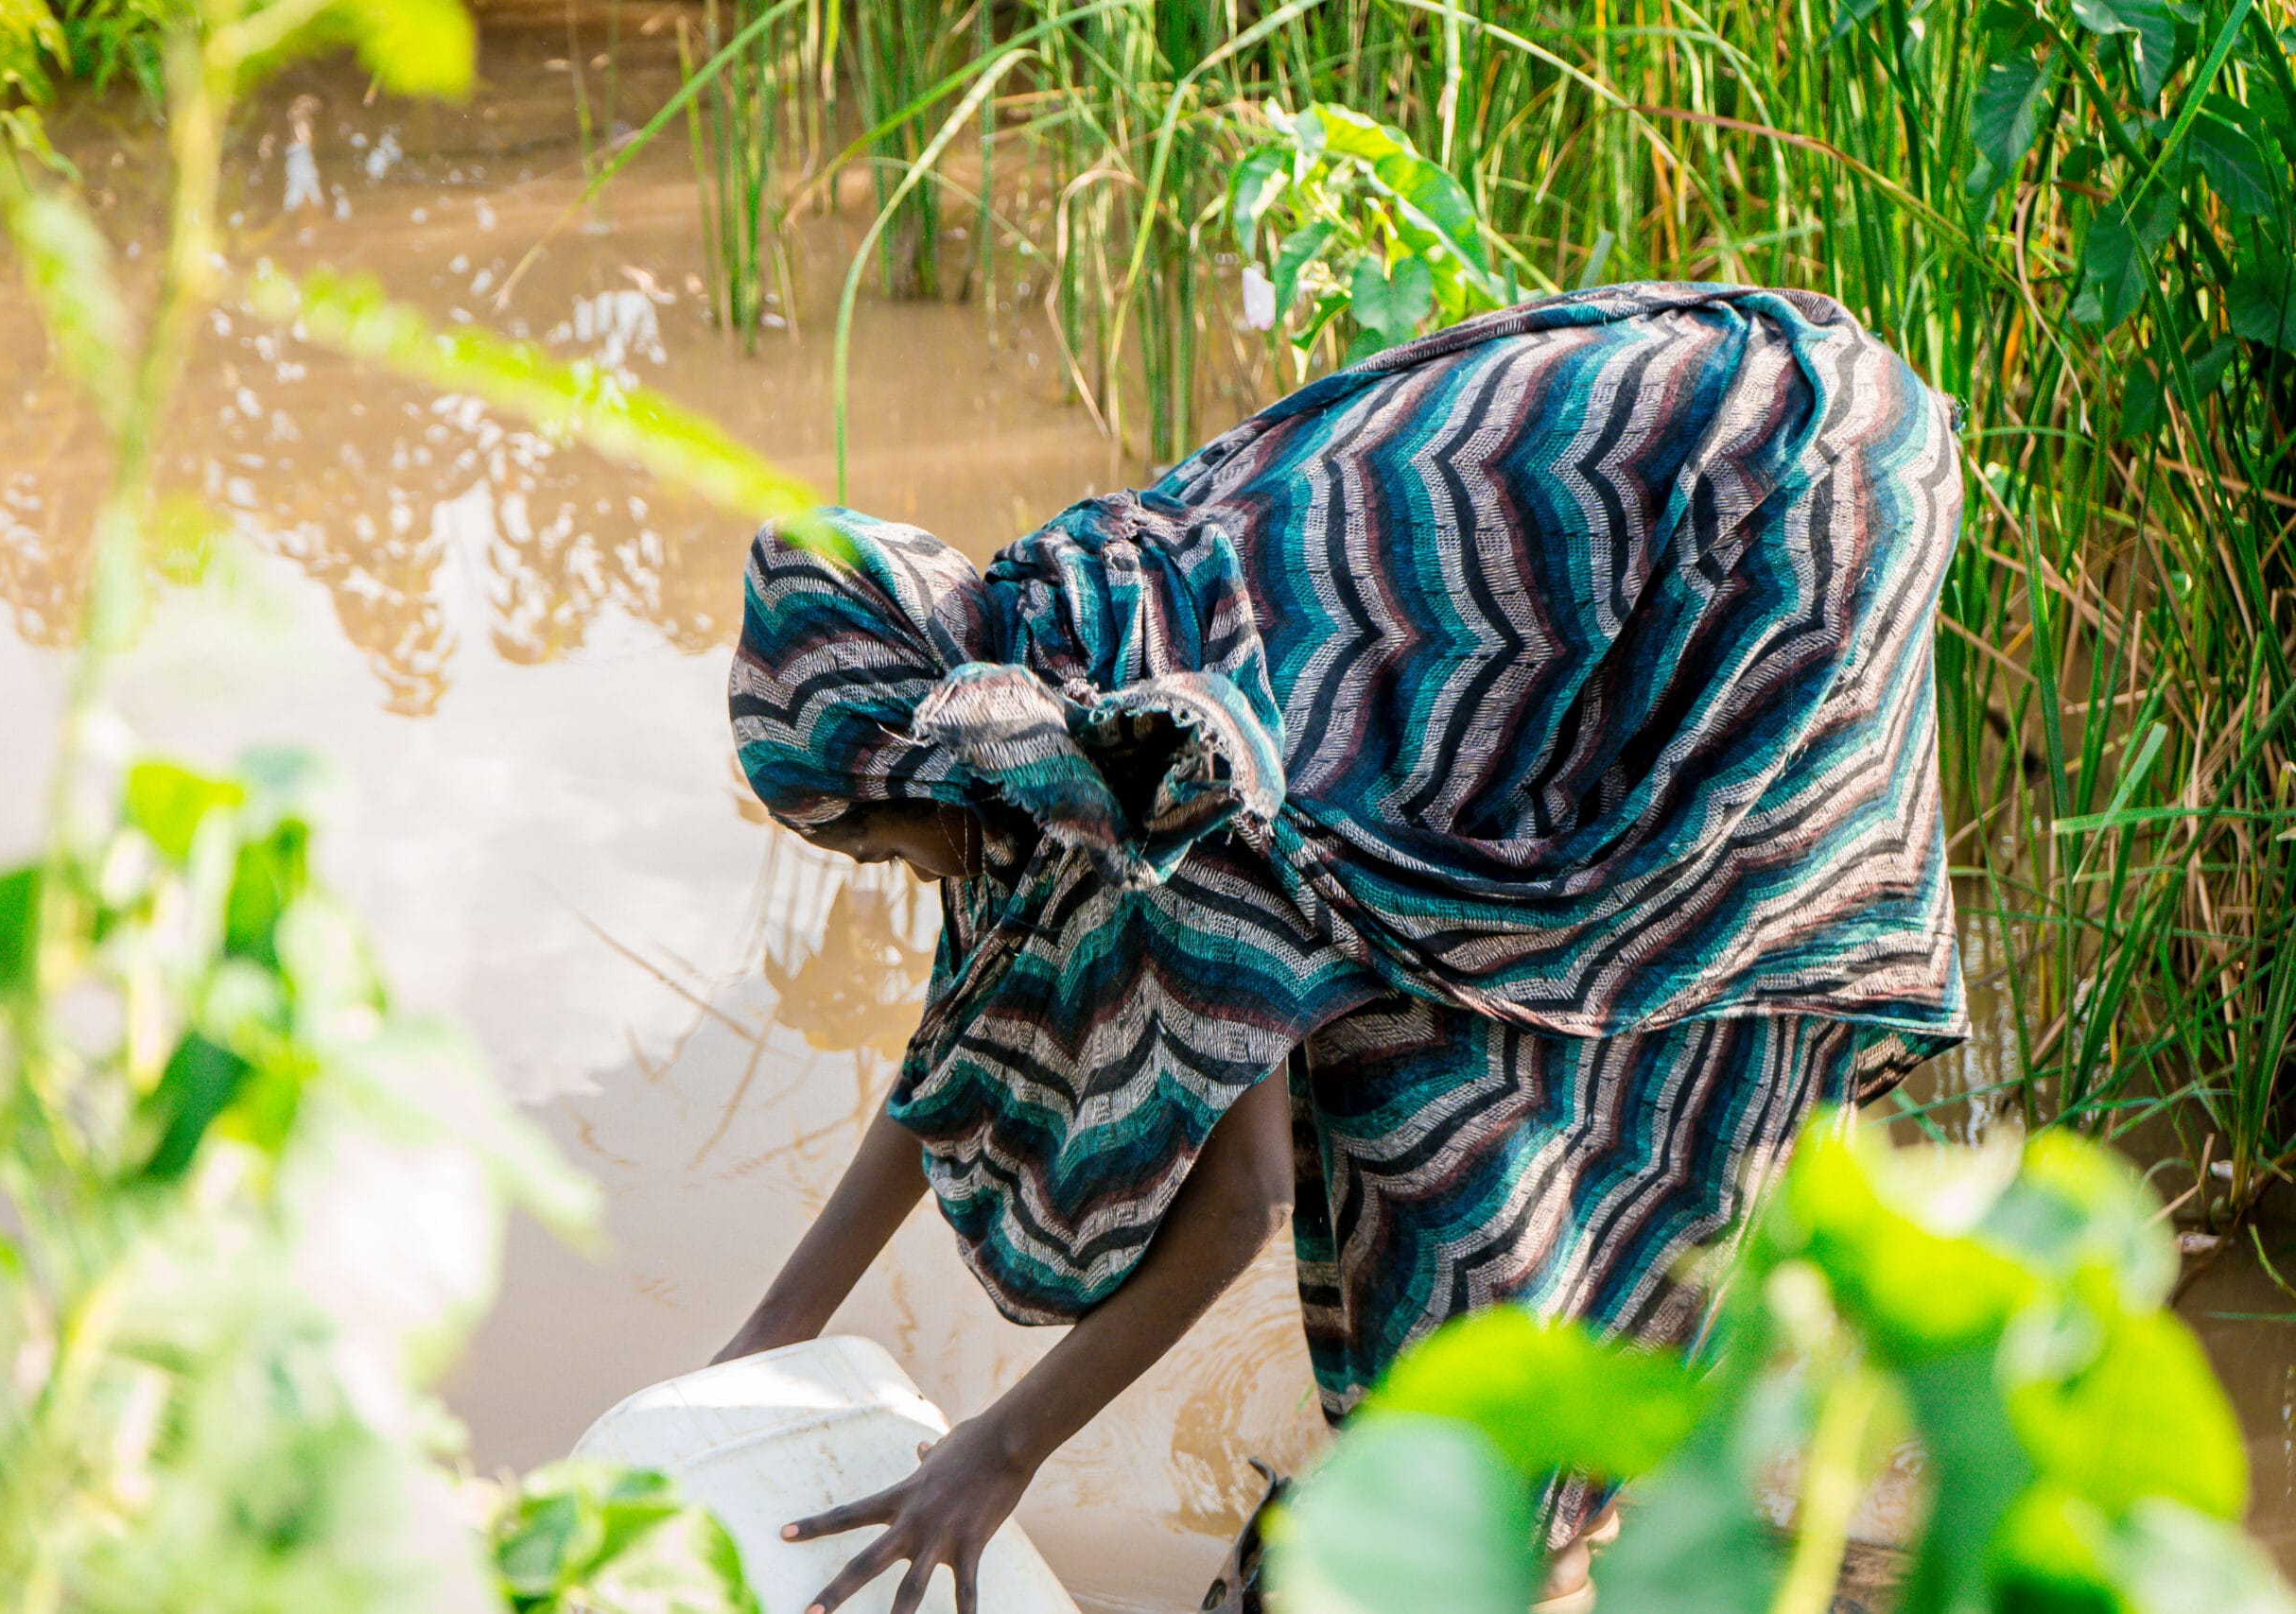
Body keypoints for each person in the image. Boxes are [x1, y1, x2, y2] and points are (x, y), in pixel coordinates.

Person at [719, 283, 1969, 1614]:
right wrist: (759, 1350)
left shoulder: (1152, 760)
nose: (903, 879)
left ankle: (1528, 1539)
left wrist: (1001, 1451)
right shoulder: (1014, 675)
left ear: (912, 768)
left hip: (1770, 517)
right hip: (1693, 466)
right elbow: (964, 1043)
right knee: (1381, 1029)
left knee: (1459, 1090)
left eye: (871, 848)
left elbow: (1242, 1199)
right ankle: (1534, 1506)